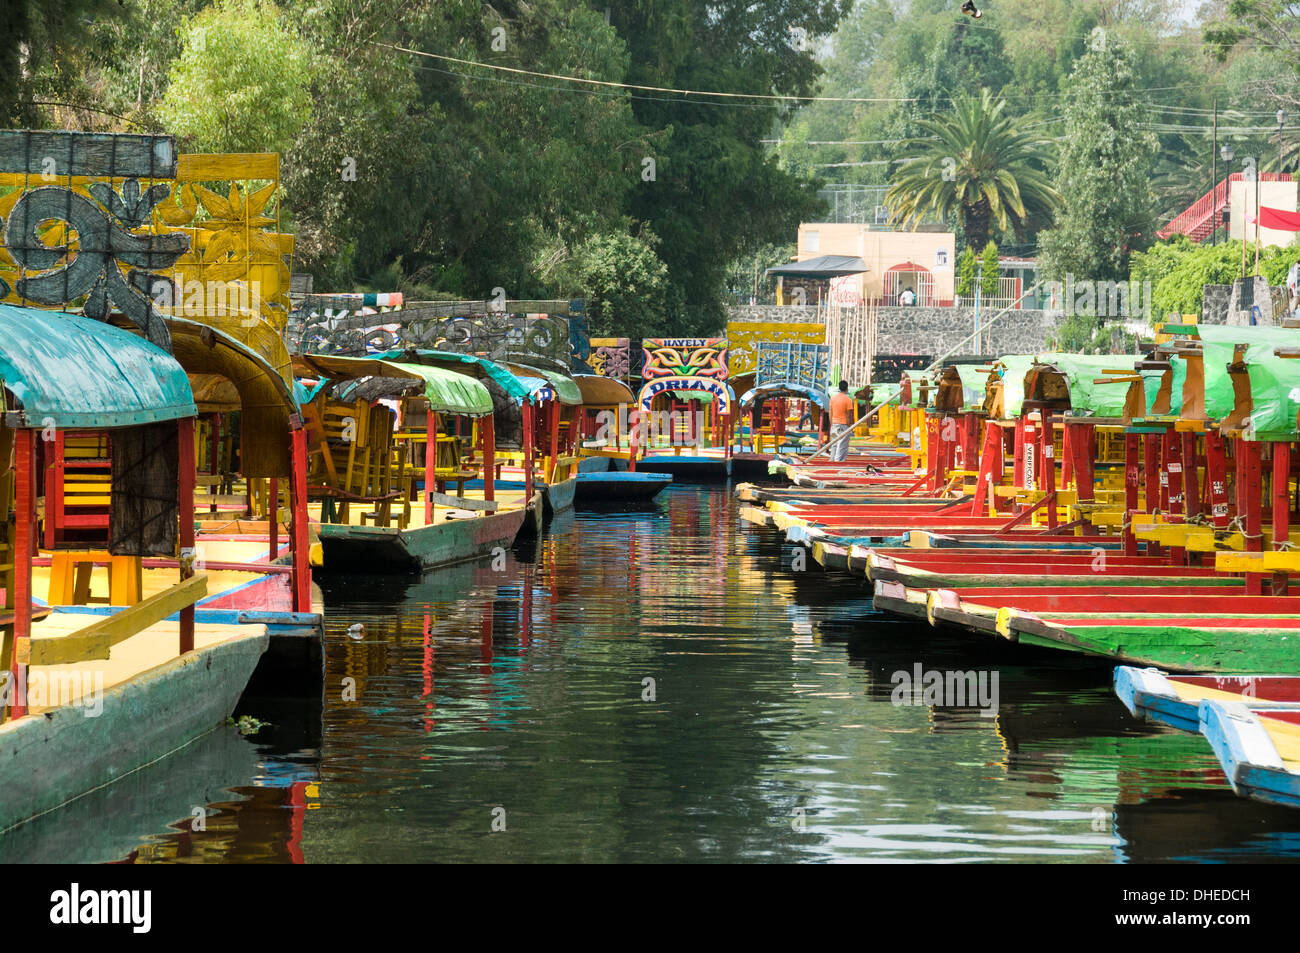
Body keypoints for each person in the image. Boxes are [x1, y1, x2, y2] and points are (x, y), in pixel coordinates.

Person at [828, 380, 854, 463]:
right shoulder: (848, 400)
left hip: (834, 423)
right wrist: (849, 425)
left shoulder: (833, 398)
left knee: (834, 444)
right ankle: (838, 462)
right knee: (842, 445)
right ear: (847, 388)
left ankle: (832, 460)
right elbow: (849, 415)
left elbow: (830, 412)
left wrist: (832, 423)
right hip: (844, 424)